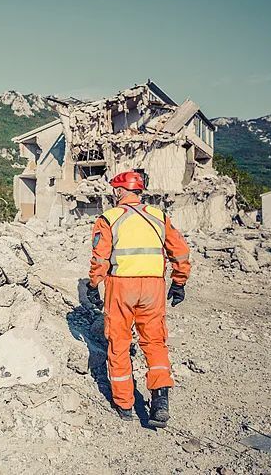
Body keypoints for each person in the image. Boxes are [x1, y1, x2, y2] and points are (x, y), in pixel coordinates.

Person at [87, 171, 191, 427]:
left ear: (120, 191)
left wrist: (93, 284)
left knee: (120, 342)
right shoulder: (159, 216)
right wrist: (179, 282)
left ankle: (124, 404)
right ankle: (160, 400)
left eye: (115, 190)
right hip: (154, 287)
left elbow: (100, 257)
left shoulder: (109, 218)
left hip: (122, 286)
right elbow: (180, 251)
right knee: (155, 342)